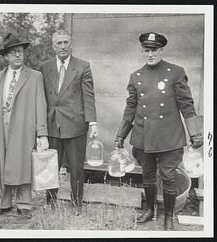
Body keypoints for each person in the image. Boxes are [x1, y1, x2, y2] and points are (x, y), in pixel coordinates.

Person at [115, 32, 203, 230]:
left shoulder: (176, 72)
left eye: (154, 50)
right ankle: (149, 210)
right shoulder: (136, 76)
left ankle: (168, 217)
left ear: (161, 50)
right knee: (147, 175)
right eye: (146, 50)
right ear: (142, 51)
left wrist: (195, 133)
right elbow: (131, 106)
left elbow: (186, 105)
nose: (150, 54)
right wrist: (121, 134)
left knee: (169, 177)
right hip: (143, 136)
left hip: (169, 137)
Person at [0, 33, 49, 219]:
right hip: (1, 129)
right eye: (13, 52)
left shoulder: (35, 76)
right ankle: (4, 203)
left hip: (23, 128)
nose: (17, 55)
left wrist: (42, 133)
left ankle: (24, 204)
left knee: (23, 165)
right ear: (5, 56)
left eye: (20, 51)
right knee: (3, 165)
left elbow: (40, 104)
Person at [39, 29, 98, 215]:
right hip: (52, 125)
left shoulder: (82, 66)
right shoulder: (44, 67)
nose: (63, 46)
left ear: (70, 44)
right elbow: (41, 98)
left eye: (66, 42)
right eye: (59, 43)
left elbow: (88, 97)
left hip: (75, 126)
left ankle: (76, 203)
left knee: (76, 167)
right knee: (51, 166)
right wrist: (40, 128)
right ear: (53, 46)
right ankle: (50, 201)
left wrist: (93, 123)